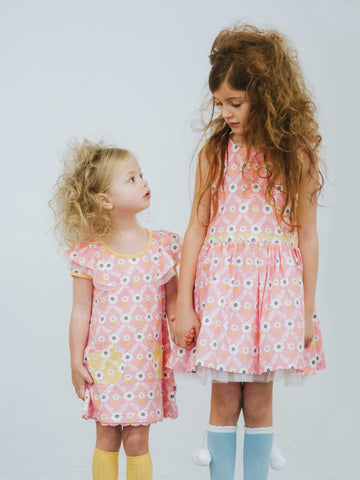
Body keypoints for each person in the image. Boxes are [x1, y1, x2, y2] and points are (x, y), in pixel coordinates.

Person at [168, 24, 326, 480]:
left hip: (273, 291)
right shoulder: (216, 151)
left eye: (235, 102)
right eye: (220, 102)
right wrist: (184, 304)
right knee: (223, 396)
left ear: (267, 95)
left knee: (258, 399)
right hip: (220, 288)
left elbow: (308, 233)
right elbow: (197, 226)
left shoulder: (295, 152)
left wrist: (307, 310)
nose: (226, 112)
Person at [50, 139, 181, 480]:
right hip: (105, 363)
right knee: (107, 435)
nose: (143, 183)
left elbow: (173, 303)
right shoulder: (89, 254)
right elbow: (80, 311)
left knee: (137, 438)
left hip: (144, 362)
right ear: (105, 199)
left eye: (141, 175)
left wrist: (187, 335)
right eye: (132, 179)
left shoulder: (162, 247)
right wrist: (74, 361)